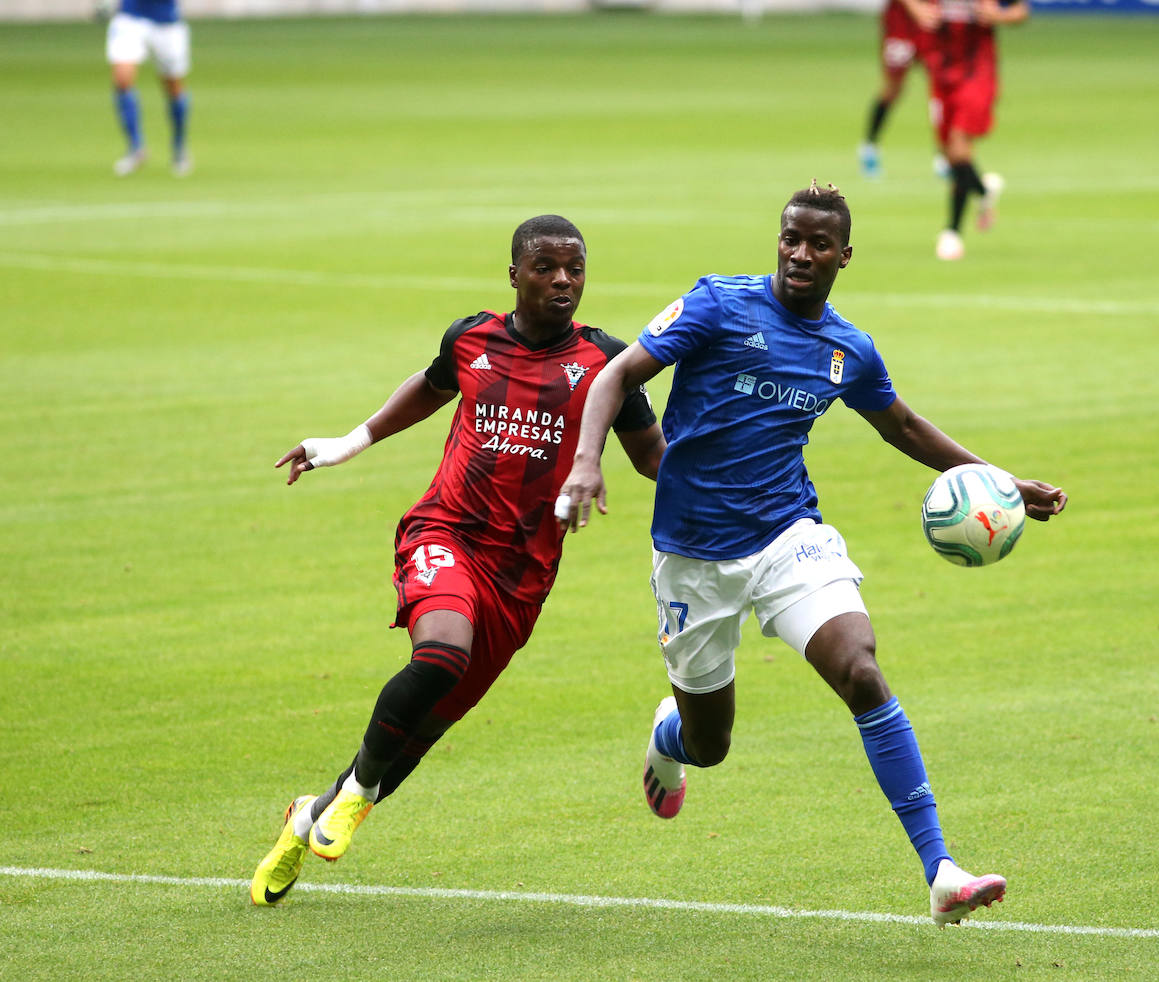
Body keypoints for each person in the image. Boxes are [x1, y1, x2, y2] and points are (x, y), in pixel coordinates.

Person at [558, 183, 1066, 927]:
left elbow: (902, 424)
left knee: (860, 668)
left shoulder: (846, 349)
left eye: (818, 244)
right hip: (694, 556)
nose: (801, 253)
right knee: (711, 743)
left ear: (844, 256)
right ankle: (669, 738)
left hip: (789, 536)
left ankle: (941, 870)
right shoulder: (716, 304)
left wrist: (997, 481)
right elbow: (616, 374)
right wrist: (586, 462)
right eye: (791, 237)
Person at [249, 215, 665, 907]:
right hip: (446, 532)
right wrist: (347, 443)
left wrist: (729, 470)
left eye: (575, 268)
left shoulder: (607, 364)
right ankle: (354, 797)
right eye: (545, 266)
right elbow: (433, 383)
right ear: (513, 275)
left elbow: (652, 456)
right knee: (440, 654)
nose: (562, 280)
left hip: (522, 574)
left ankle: (309, 816)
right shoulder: (471, 338)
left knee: (426, 725)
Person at [909, 0, 1030, 261]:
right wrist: (915, 8)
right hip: (940, 70)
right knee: (949, 155)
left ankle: (952, 232)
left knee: (958, 145)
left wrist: (998, 15)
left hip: (977, 72)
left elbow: (1021, 11)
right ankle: (984, 192)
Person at [857, 0, 948, 182]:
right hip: (902, 22)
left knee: (942, 88)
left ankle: (945, 157)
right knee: (892, 89)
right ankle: (869, 147)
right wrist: (914, 7)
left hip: (935, 16)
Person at [104, 0, 192, 177]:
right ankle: (136, 148)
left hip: (166, 22)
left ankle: (179, 146)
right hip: (130, 18)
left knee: (173, 88)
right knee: (122, 80)